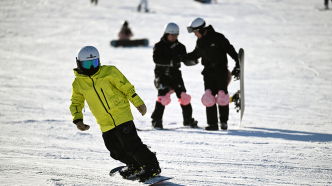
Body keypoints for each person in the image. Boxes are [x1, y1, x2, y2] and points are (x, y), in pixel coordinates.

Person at [69, 46, 161, 182]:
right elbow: (76, 102)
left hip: (121, 115)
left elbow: (127, 87)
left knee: (131, 144)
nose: (91, 67)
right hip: (104, 121)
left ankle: (151, 166)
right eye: (87, 64)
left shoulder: (109, 71)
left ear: (98, 61)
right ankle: (134, 165)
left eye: (93, 63)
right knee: (115, 150)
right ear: (79, 63)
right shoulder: (78, 83)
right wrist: (78, 119)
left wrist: (138, 102)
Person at [185, 18, 240, 131]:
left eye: (195, 32)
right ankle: (212, 124)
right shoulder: (200, 42)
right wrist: (183, 56)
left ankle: (224, 122)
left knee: (222, 96)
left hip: (221, 72)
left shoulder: (218, 37)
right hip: (208, 74)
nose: (195, 34)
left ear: (200, 29)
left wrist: (238, 62)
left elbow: (230, 49)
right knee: (208, 98)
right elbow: (195, 54)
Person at [151, 23, 198, 129]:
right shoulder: (159, 46)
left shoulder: (180, 47)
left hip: (175, 75)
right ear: (166, 34)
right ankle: (156, 120)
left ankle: (188, 120)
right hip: (162, 74)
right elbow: (156, 60)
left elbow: (185, 60)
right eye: (172, 35)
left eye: (176, 35)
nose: (174, 37)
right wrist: (171, 62)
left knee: (184, 97)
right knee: (163, 98)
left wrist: (193, 60)